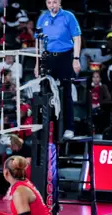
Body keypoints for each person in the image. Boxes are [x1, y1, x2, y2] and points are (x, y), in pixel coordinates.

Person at [35, 0, 82, 139]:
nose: (52, 5)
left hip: (65, 56)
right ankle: (48, 129)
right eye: (49, 2)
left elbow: (77, 38)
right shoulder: (43, 18)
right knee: (46, 93)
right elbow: (38, 42)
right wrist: (37, 63)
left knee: (66, 92)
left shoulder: (68, 16)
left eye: (54, 2)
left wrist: (76, 58)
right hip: (48, 57)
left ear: (60, 2)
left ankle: (69, 127)